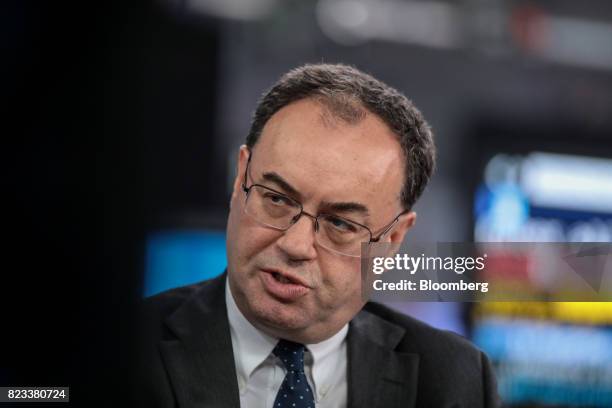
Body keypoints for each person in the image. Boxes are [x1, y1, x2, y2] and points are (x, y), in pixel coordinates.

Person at [138, 63, 500, 407]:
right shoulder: (115, 349)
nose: (295, 245)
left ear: (391, 241)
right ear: (240, 180)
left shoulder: (454, 381)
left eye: (340, 224)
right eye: (277, 199)